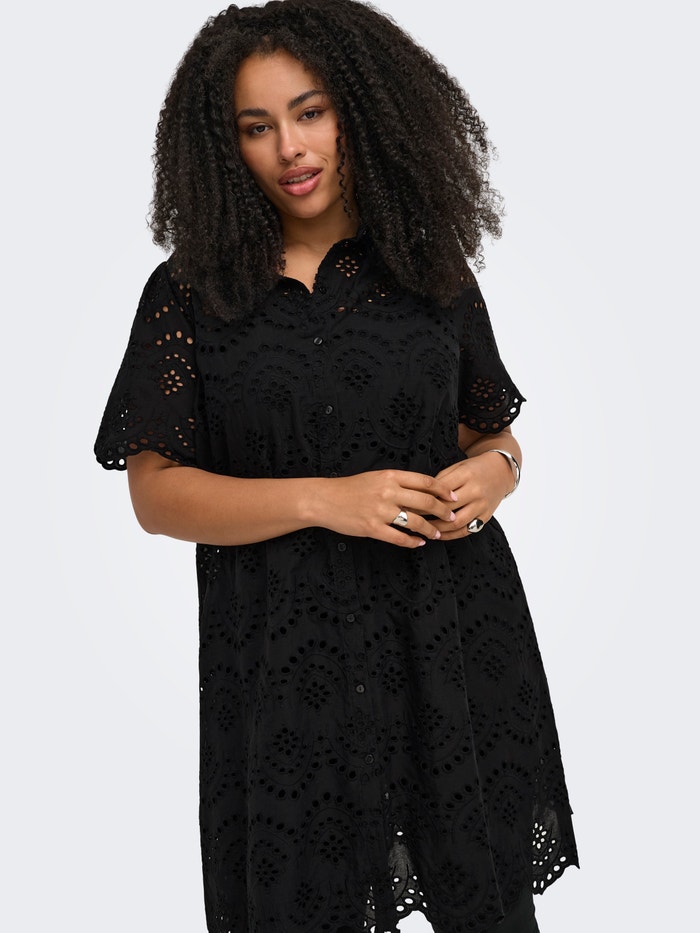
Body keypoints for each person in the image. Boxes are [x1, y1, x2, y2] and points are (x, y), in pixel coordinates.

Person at [94, 1, 579, 931]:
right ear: (223, 145)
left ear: (360, 108)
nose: (290, 147)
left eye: (310, 112)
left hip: (451, 640)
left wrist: (498, 472)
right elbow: (155, 493)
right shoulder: (191, 293)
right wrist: (327, 501)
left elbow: (490, 431)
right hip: (284, 661)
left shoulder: (428, 263)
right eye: (257, 126)